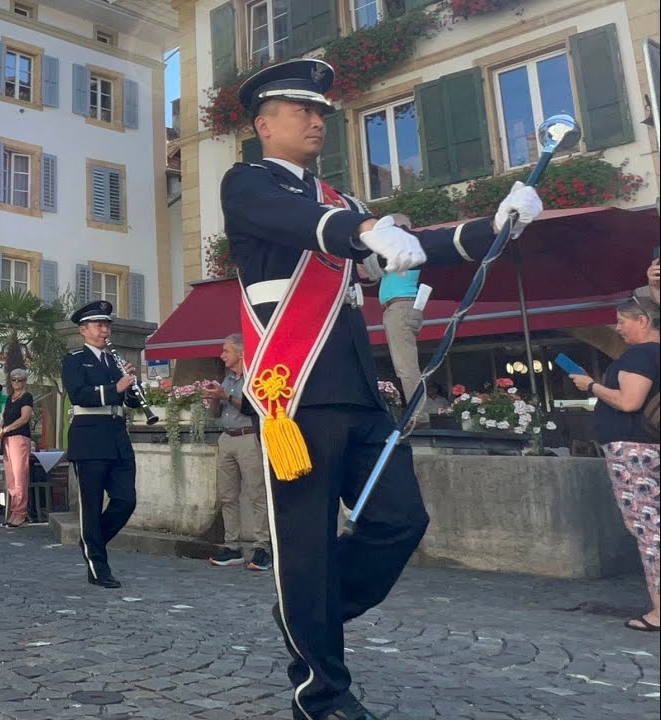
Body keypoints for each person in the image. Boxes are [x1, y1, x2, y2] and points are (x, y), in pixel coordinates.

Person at [221, 59, 543, 720]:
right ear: (264, 124)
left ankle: (309, 610)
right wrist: (366, 230)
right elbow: (296, 221)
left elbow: (413, 246)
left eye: (321, 112)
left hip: (360, 392)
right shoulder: (248, 183)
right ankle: (321, 694)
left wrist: (495, 226)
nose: (317, 121)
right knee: (307, 545)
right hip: (297, 393)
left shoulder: (340, 203)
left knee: (400, 521)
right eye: (302, 111)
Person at [570, 298, 659, 632]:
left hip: (635, 451)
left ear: (643, 320)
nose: (617, 328)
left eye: (622, 321)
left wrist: (592, 386)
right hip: (651, 446)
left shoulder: (641, 355)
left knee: (649, 528)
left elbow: (629, 401)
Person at [62, 300, 142, 589]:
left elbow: (130, 401)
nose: (105, 330)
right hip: (89, 438)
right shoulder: (74, 359)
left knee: (126, 500)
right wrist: (114, 388)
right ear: (83, 330)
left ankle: (91, 541)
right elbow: (79, 394)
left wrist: (132, 387)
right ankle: (98, 565)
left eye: (107, 325)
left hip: (117, 437)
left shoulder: (114, 361)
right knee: (92, 505)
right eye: (99, 325)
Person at [201, 333, 271, 570]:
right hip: (227, 437)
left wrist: (225, 396)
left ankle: (263, 547)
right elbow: (216, 413)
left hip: (248, 436)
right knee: (227, 495)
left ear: (240, 353)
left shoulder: (254, 378)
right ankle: (232, 545)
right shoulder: (227, 379)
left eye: (226, 351)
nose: (222, 355)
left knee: (256, 493)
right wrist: (212, 398)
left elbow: (253, 407)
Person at [377, 217, 428, 423]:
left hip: (399, 307)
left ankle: (418, 416)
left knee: (406, 366)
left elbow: (367, 270)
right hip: (404, 307)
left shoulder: (400, 247)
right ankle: (417, 413)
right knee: (406, 364)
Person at [0, 368, 34, 528]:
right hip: (7, 439)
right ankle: (13, 512)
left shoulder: (27, 397)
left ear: (25, 381)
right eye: (14, 379)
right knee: (11, 478)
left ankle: (21, 513)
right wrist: (0, 429)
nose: (17, 382)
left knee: (20, 476)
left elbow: (24, 418)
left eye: (20, 380)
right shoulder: (9, 398)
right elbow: (4, 417)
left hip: (19, 438)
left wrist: (7, 428)